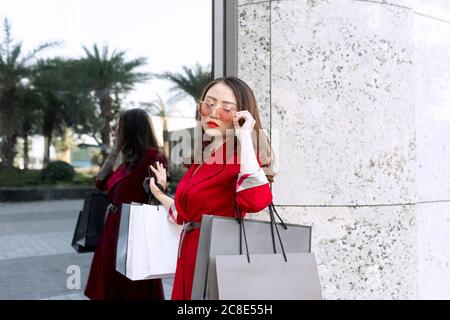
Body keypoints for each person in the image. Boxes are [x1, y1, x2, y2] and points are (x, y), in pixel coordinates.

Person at [148, 76, 275, 300]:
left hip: (217, 257)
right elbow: (184, 216)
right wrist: (159, 193)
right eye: (209, 103)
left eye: (226, 108)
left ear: (241, 115)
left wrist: (245, 137)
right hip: (190, 255)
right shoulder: (201, 159)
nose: (214, 112)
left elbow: (256, 201)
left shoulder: (241, 157)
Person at [84, 108, 167, 300]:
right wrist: (115, 151)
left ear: (130, 129)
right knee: (110, 287)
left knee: (130, 289)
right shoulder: (127, 160)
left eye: (119, 126)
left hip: (134, 233)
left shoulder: (153, 157)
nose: (115, 130)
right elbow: (101, 182)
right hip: (112, 232)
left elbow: (157, 196)